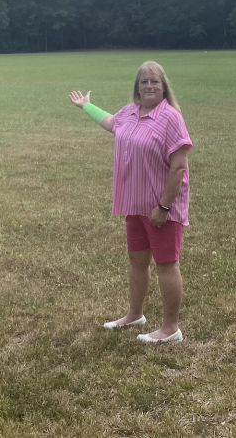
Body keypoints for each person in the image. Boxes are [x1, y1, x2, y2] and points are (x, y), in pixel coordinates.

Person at [69, 61, 192, 344]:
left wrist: (163, 207)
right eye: (144, 82)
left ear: (164, 87)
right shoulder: (130, 112)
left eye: (155, 82)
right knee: (137, 262)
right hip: (134, 206)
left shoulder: (171, 118)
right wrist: (87, 106)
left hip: (161, 208)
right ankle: (135, 314)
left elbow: (179, 168)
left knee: (166, 264)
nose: (149, 86)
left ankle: (170, 328)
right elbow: (112, 122)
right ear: (137, 88)